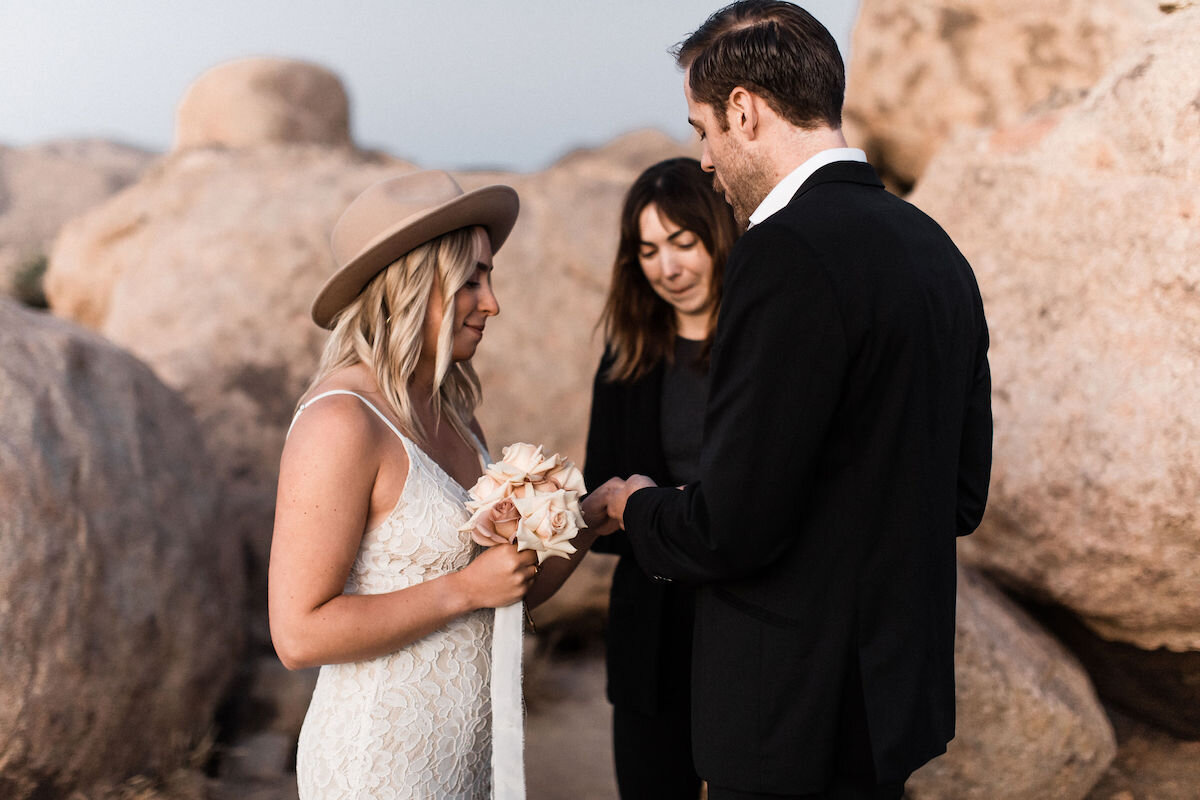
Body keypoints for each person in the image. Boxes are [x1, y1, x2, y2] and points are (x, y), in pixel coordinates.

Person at [605, 3, 993, 799]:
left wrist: (636, 507)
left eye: (703, 129)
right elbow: (960, 494)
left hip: (787, 715)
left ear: (743, 111)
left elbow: (733, 526)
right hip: (890, 704)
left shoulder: (779, 255)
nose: (704, 161)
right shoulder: (935, 248)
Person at [268, 170, 618, 799]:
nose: (492, 302)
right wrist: (462, 588)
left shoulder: (452, 410)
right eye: (471, 281)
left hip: (462, 761)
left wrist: (593, 515)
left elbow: (500, 597)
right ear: (412, 286)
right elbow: (298, 635)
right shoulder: (341, 424)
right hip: (379, 763)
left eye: (490, 278)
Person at [584, 157, 739, 800]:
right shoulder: (627, 356)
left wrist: (654, 508)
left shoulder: (760, 347)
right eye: (648, 250)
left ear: (719, 235)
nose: (667, 268)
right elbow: (603, 503)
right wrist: (670, 514)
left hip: (744, 624)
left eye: (683, 243)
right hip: (650, 630)